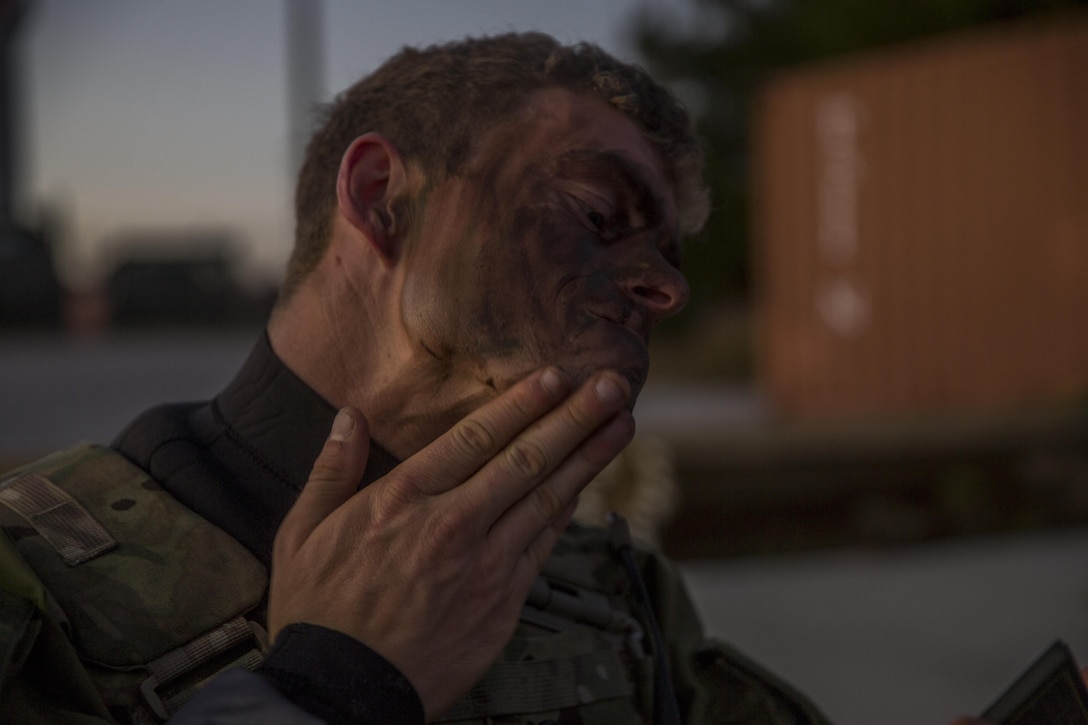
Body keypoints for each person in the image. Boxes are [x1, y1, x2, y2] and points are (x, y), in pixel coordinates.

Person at [5, 31, 1016, 725]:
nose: (663, 287)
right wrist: (326, 690)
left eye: (668, 253)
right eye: (594, 209)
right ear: (381, 194)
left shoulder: (607, 590)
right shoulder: (32, 584)